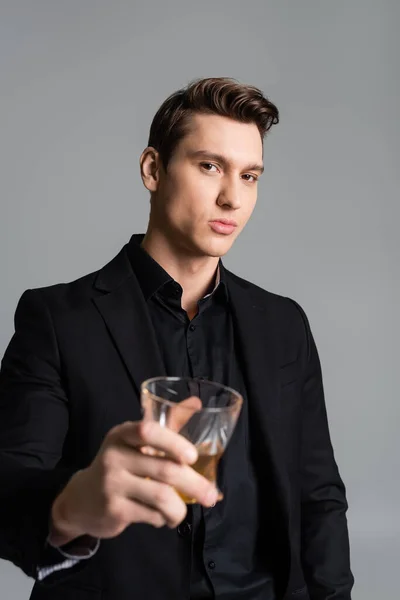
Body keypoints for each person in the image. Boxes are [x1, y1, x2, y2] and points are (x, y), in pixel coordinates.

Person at [0, 77, 354, 600]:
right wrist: (73, 502)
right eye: (209, 166)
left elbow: (319, 497)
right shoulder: (57, 318)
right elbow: (7, 486)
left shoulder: (284, 325)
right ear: (153, 169)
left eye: (250, 175)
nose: (232, 196)